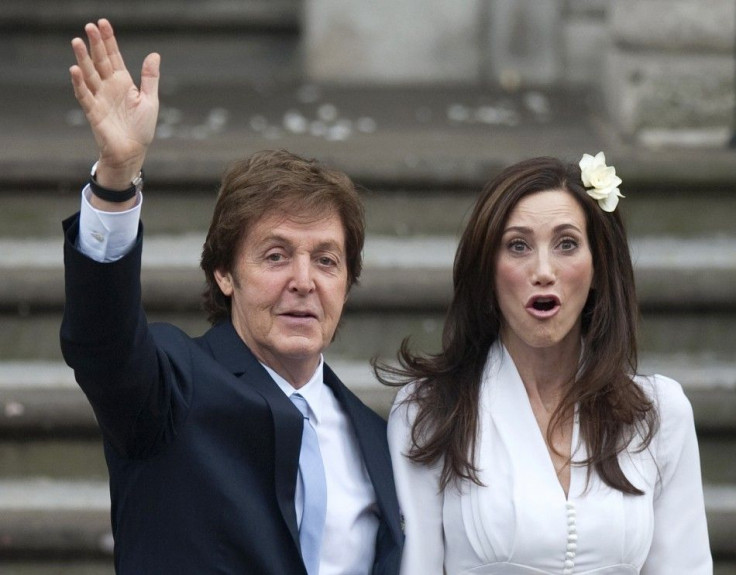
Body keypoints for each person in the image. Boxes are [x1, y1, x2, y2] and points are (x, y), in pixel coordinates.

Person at [60, 19, 402, 574]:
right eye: (275, 255)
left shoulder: (377, 437)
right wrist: (116, 179)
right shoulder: (169, 387)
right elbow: (101, 340)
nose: (303, 280)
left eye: (326, 260)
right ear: (224, 272)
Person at [377, 154, 712, 574]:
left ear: (598, 267)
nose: (543, 270)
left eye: (566, 243)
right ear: (487, 269)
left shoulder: (659, 412)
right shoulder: (429, 411)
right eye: (518, 245)